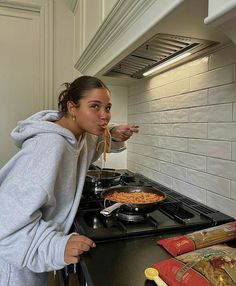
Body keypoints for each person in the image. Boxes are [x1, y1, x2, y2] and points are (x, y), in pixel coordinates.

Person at [0, 75, 139, 286]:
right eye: (95, 107)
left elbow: (91, 146)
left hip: (27, 255)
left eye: (107, 108)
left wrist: (113, 134)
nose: (105, 116)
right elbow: (5, 220)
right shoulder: (48, 147)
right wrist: (56, 246)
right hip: (13, 264)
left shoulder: (78, 135)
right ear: (72, 107)